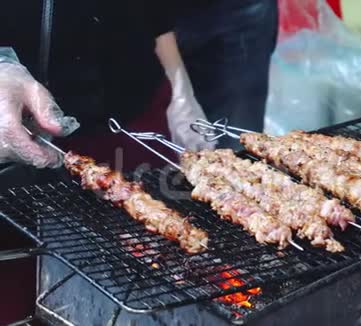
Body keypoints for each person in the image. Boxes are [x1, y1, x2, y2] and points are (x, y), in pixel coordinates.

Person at [0, 1, 278, 324]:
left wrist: (180, 88)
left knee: (150, 276)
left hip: (130, 116)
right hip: (11, 119)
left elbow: (154, 11)